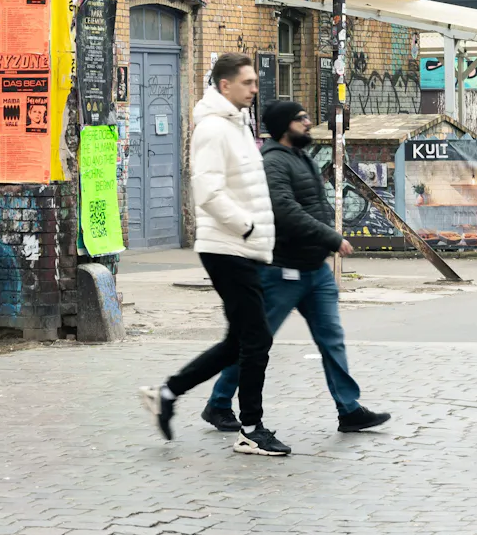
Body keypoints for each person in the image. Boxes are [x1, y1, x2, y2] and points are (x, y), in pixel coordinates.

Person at [201, 100, 391, 435]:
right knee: (254, 341)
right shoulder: (273, 162)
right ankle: (218, 403)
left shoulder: (300, 157)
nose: (308, 123)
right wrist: (330, 237)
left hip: (314, 270)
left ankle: (349, 410)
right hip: (282, 270)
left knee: (332, 339)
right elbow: (284, 210)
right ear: (285, 126)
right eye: (301, 119)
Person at [139, 52, 288, 457]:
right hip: (227, 247)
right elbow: (207, 191)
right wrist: (248, 226)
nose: (255, 89)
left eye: (256, 82)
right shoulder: (212, 130)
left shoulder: (238, 125)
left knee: (238, 341)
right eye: (248, 83)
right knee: (256, 340)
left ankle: (166, 394)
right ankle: (252, 429)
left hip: (246, 249)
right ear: (225, 85)